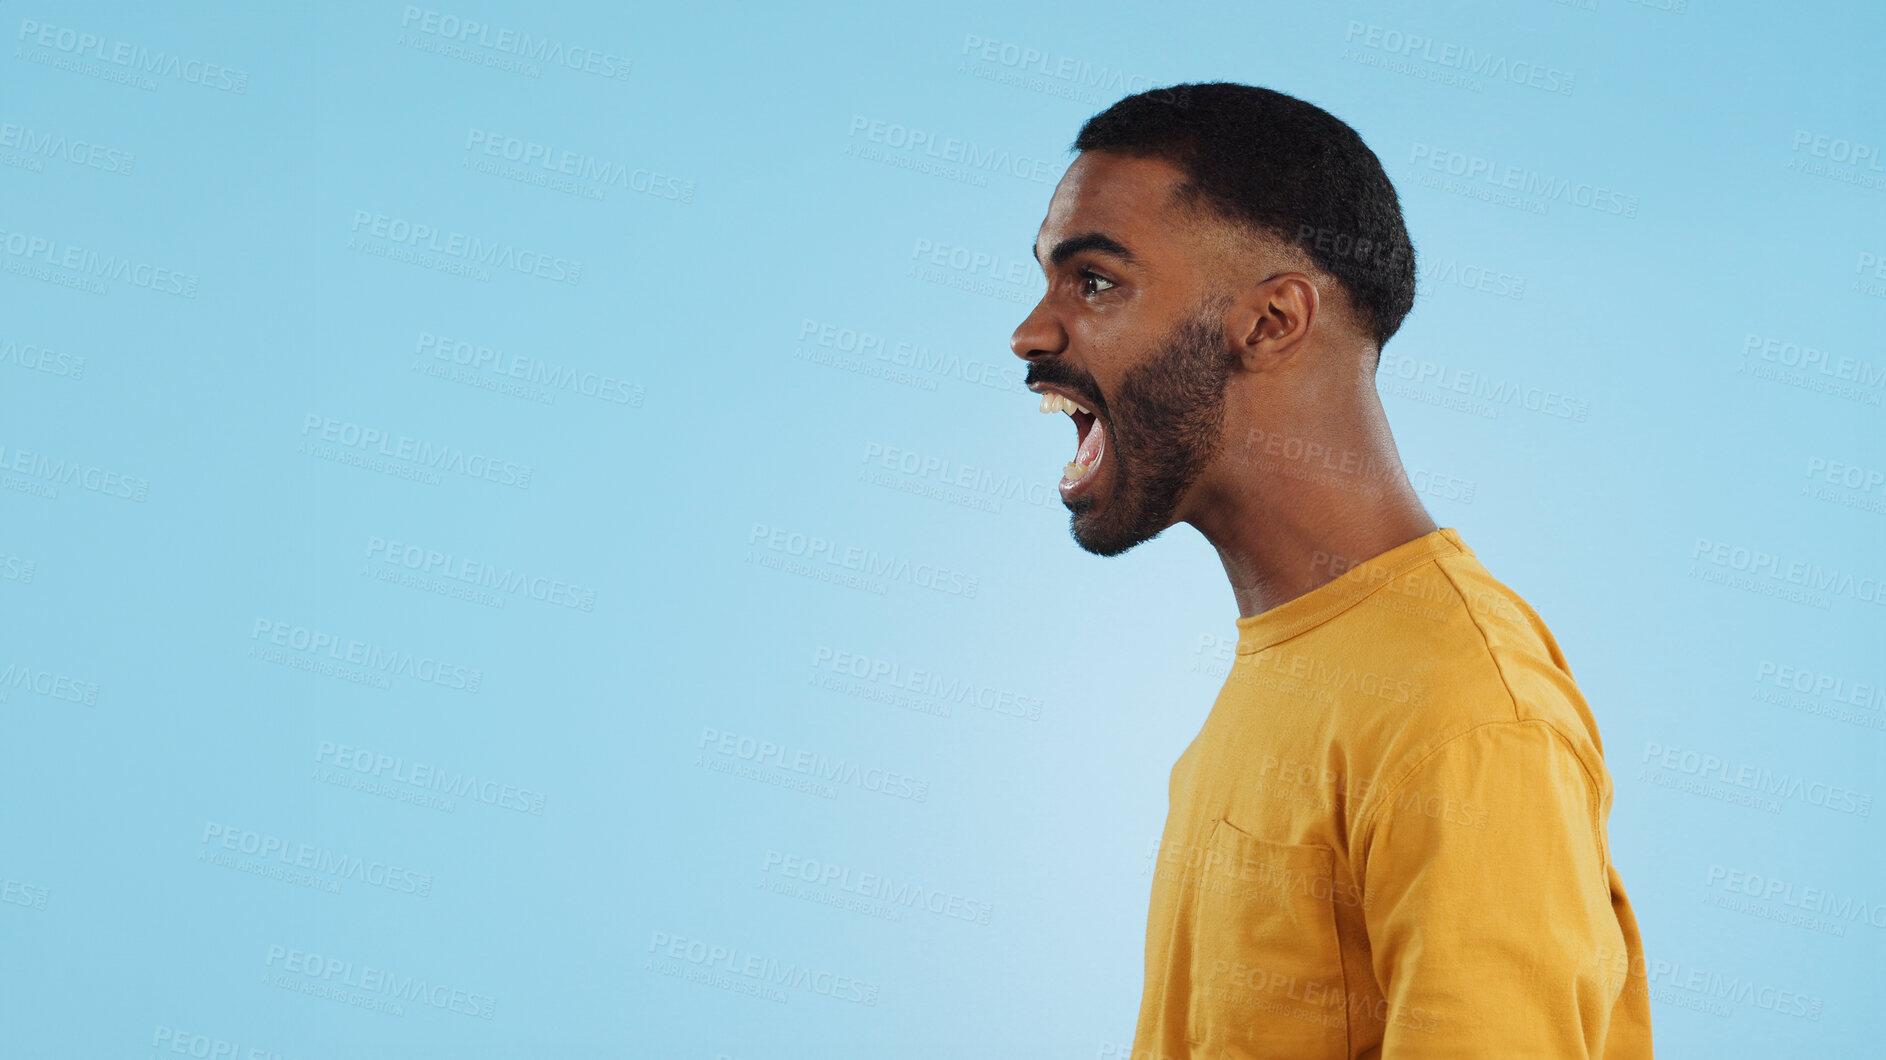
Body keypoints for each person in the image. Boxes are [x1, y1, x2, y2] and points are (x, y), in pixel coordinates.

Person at [1009, 82, 1654, 1058]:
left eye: (1092, 280)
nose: (1031, 331)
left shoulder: (1461, 714)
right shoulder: (1289, 667)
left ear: (1271, 321)